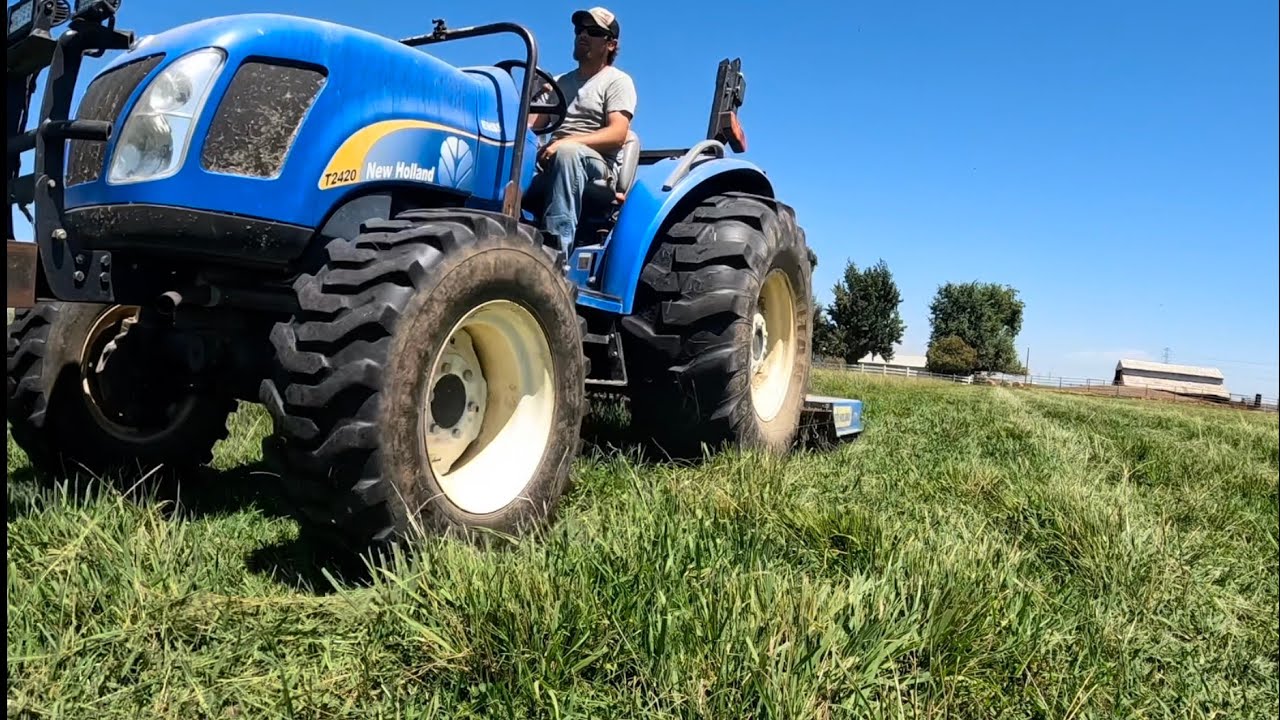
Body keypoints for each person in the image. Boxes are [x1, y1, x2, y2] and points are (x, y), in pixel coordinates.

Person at [529, 7, 637, 256]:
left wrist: (565, 143)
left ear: (610, 44)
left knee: (568, 153)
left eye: (594, 31)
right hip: (551, 159)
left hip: (595, 165)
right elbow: (531, 130)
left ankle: (556, 254)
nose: (582, 35)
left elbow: (617, 134)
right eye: (579, 30)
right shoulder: (557, 83)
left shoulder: (617, 81)